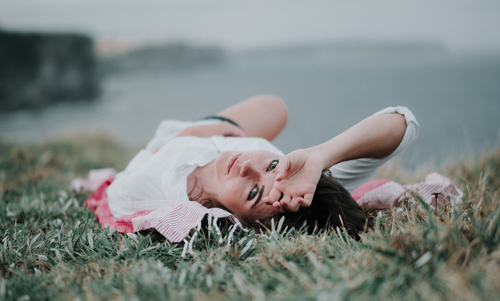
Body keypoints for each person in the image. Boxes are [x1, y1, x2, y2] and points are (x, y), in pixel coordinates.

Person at [106, 95, 419, 239]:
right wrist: (319, 157)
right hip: (229, 135)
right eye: (272, 166)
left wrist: (191, 134)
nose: (247, 168)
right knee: (277, 107)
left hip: (184, 138)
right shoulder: (304, 184)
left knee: (268, 114)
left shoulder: (172, 192)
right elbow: (403, 122)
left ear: (237, 220)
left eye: (254, 193)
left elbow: (119, 193)